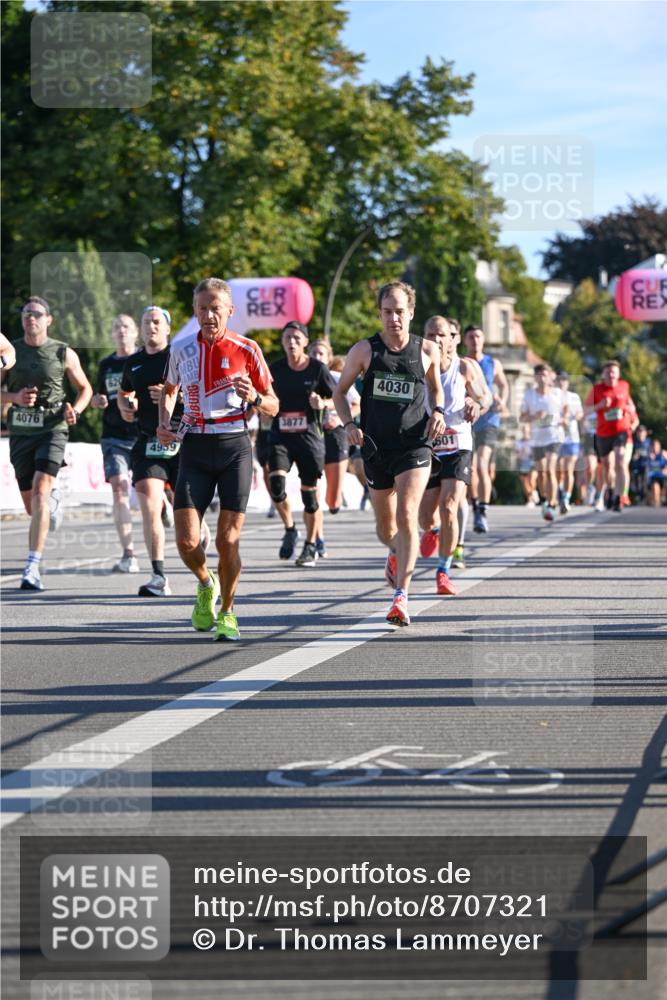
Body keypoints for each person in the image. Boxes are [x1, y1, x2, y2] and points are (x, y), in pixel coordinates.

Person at [157, 277, 277, 642]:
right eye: (202, 309)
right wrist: (165, 421)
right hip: (194, 446)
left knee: (227, 540)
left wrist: (255, 396)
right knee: (185, 541)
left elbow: (273, 406)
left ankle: (227, 611)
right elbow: (169, 391)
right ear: (195, 312)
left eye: (216, 308)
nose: (209, 315)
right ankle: (206, 584)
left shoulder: (247, 348)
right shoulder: (180, 350)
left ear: (230, 311)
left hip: (234, 448)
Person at [333, 281, 446, 626]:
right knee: (386, 529)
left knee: (407, 514)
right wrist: (349, 424)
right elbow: (340, 392)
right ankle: (395, 552)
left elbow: (435, 388)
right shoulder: (364, 351)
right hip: (376, 448)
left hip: (415, 444)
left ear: (411, 313)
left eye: (400, 312)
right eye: (387, 312)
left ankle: (402, 596)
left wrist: (438, 412)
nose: (393, 318)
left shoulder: (427, 350)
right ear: (379, 313)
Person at [0, 296, 92, 590]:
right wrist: (14, 398)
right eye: (26, 313)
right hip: (21, 432)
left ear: (48, 319)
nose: (31, 318)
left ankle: (32, 566)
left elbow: (85, 388)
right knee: (32, 505)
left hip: (53, 428)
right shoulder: (10, 351)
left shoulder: (63, 352)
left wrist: (75, 410)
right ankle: (50, 507)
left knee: (41, 489)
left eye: (37, 314)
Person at [418, 317, 491, 595]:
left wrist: (476, 403)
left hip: (458, 443)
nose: (436, 339)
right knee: (426, 516)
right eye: (430, 334)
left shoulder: (465, 367)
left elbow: (487, 398)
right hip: (429, 445)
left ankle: (444, 571)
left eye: (441, 335)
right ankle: (433, 532)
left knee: (449, 506)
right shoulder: (418, 365)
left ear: (452, 338)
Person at [118, 305, 178, 597]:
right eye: (146, 322)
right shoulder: (134, 362)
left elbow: (197, 396)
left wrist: (170, 398)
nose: (151, 327)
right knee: (150, 506)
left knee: (188, 514)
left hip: (182, 442)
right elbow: (124, 392)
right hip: (147, 441)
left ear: (167, 328)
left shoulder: (179, 358)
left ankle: (199, 527)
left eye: (157, 322)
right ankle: (159, 575)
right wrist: (127, 408)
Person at [268, 321, 336, 567]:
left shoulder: (318, 369)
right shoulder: (274, 369)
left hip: (309, 438)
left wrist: (323, 404)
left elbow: (338, 398)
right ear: (282, 341)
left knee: (310, 497)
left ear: (306, 342)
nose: (292, 341)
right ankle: (290, 528)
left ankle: (309, 545)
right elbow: (264, 396)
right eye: (288, 337)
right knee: (276, 485)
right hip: (281, 436)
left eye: (297, 337)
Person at [91, 314, 141, 572]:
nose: (121, 331)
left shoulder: (144, 360)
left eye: (126, 327)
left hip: (144, 434)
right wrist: (97, 400)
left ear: (135, 333)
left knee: (151, 493)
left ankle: (166, 504)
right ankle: (129, 554)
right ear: (112, 334)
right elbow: (98, 395)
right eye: (116, 327)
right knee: (120, 490)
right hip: (114, 437)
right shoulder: (106, 365)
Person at [307, 340, 361, 556]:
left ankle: (335, 501)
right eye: (314, 353)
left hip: (336, 434)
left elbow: (357, 405)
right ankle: (318, 538)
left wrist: (339, 418)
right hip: (312, 437)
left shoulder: (338, 378)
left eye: (321, 353)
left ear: (328, 357)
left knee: (332, 498)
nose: (317, 356)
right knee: (313, 491)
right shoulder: (305, 379)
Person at [463, 325, 508, 534]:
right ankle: (474, 504)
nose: (475, 340)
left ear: (483, 339)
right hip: (468, 419)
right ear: (465, 341)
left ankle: (482, 510)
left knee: (482, 464)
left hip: (489, 418)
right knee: (470, 468)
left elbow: (504, 385)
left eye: (478, 336)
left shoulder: (493, 363)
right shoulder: (462, 364)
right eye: (471, 337)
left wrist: (501, 400)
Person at [520, 364, 567, 522]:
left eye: (545, 374)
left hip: (554, 436)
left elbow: (566, 407)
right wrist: (534, 417)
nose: (542, 377)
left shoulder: (557, 393)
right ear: (535, 377)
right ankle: (545, 499)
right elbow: (522, 417)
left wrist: (564, 418)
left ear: (549, 377)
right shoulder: (529, 395)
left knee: (550, 469)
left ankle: (552, 503)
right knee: (541, 473)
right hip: (536, 438)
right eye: (539, 374)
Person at [585, 360, 633, 512]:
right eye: (608, 372)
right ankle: (612, 491)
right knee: (606, 465)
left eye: (614, 371)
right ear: (603, 374)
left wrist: (629, 408)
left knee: (620, 460)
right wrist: (599, 406)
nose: (611, 374)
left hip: (621, 431)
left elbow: (629, 404)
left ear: (618, 374)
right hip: (603, 432)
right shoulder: (597, 389)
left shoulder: (624, 386)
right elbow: (585, 410)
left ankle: (620, 497)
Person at [555, 371, 583, 514]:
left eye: (564, 380)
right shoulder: (551, 397)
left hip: (572, 437)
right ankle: (559, 492)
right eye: (559, 380)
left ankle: (566, 498)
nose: (562, 382)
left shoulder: (574, 397)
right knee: (558, 469)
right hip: (556, 438)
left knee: (569, 469)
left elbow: (580, 413)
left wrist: (574, 416)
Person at [515, 424, 537, 505]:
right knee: (525, 483)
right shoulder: (518, 442)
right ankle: (530, 498)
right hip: (523, 463)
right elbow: (517, 455)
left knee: (531, 480)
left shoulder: (533, 441)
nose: (525, 432)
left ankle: (532, 494)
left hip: (532, 463)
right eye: (524, 430)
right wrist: (522, 452)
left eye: (526, 430)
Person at [630, 425, 651, 503]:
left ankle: (644, 496)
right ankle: (638, 495)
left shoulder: (649, 442)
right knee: (637, 482)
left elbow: (652, 452)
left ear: (645, 433)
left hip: (645, 465)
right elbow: (630, 455)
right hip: (636, 465)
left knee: (645, 480)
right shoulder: (634, 442)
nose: (641, 433)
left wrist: (651, 455)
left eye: (642, 432)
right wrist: (633, 457)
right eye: (639, 432)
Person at [646, 438, 666, 507]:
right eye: (654, 446)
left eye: (656, 446)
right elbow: (647, 466)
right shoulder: (649, 455)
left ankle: (660, 500)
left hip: (663, 476)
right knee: (655, 488)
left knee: (662, 492)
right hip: (653, 476)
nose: (655, 448)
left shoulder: (663, 454)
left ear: (659, 446)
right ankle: (656, 503)